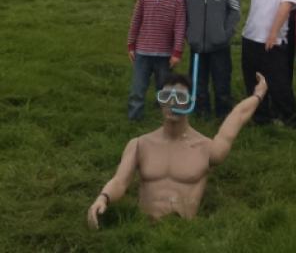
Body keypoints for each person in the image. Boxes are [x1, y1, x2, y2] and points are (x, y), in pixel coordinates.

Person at [87, 72, 268, 228]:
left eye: (180, 97)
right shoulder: (140, 144)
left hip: (183, 233)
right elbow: (120, 181)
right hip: (143, 230)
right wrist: (103, 198)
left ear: (191, 101)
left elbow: (237, 118)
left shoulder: (206, 149)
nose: (172, 102)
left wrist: (258, 95)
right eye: (165, 96)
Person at [239, 0, 296, 124]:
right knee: (253, 79)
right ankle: (260, 116)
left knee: (278, 80)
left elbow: (285, 6)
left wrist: (273, 33)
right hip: (250, 37)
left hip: (274, 40)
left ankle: (287, 115)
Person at [184, 0, 241, 119]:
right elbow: (183, 12)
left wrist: (226, 34)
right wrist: (188, 34)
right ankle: (201, 111)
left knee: (222, 80)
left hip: (220, 44)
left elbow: (235, 10)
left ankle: (223, 112)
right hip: (196, 45)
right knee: (198, 80)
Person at [126, 0, 186, 121]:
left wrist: (177, 52)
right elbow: (136, 20)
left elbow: (180, 26)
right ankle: (134, 117)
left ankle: (164, 117)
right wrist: (131, 45)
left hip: (165, 55)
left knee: (163, 87)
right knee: (138, 88)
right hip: (142, 52)